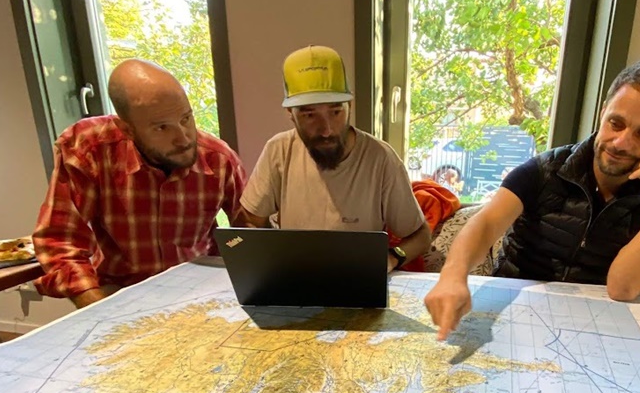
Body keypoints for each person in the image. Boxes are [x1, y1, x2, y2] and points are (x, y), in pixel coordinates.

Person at [425, 55, 640, 339]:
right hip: (513, 317)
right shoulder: (544, 169)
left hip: (593, 327)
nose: (621, 142)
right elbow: (487, 222)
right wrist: (453, 275)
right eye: (615, 123)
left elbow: (622, 288)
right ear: (603, 111)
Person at [33, 59, 246, 308]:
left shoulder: (219, 159)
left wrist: (229, 266)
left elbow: (248, 234)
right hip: (121, 290)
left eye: (186, 118)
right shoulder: (90, 151)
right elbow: (60, 241)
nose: (183, 138)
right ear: (127, 129)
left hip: (200, 289)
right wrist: (98, 308)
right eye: (162, 128)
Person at [240, 45, 431, 273]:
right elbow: (249, 222)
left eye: (335, 112)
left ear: (349, 106)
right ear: (291, 114)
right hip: (295, 277)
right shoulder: (278, 150)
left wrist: (392, 258)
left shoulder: (381, 158)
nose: (327, 130)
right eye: (310, 115)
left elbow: (421, 236)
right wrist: (272, 255)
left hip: (358, 277)